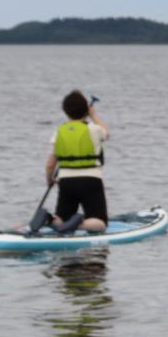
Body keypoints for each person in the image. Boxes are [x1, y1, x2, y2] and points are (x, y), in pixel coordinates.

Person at [44, 90, 109, 233]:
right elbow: (106, 132)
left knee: (62, 218)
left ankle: (50, 219)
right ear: (86, 110)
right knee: (100, 222)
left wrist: (49, 180)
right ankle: (78, 225)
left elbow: (50, 164)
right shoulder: (93, 129)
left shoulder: (59, 131)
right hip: (90, 180)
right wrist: (93, 115)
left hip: (66, 181)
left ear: (65, 111)